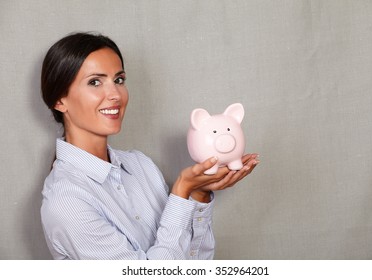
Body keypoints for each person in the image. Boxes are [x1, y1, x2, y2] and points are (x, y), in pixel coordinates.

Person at [40, 32, 259, 260]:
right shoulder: (66, 201)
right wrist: (182, 191)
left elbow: (196, 263)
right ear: (59, 100)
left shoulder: (141, 166)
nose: (115, 94)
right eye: (95, 82)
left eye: (119, 80)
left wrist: (199, 193)